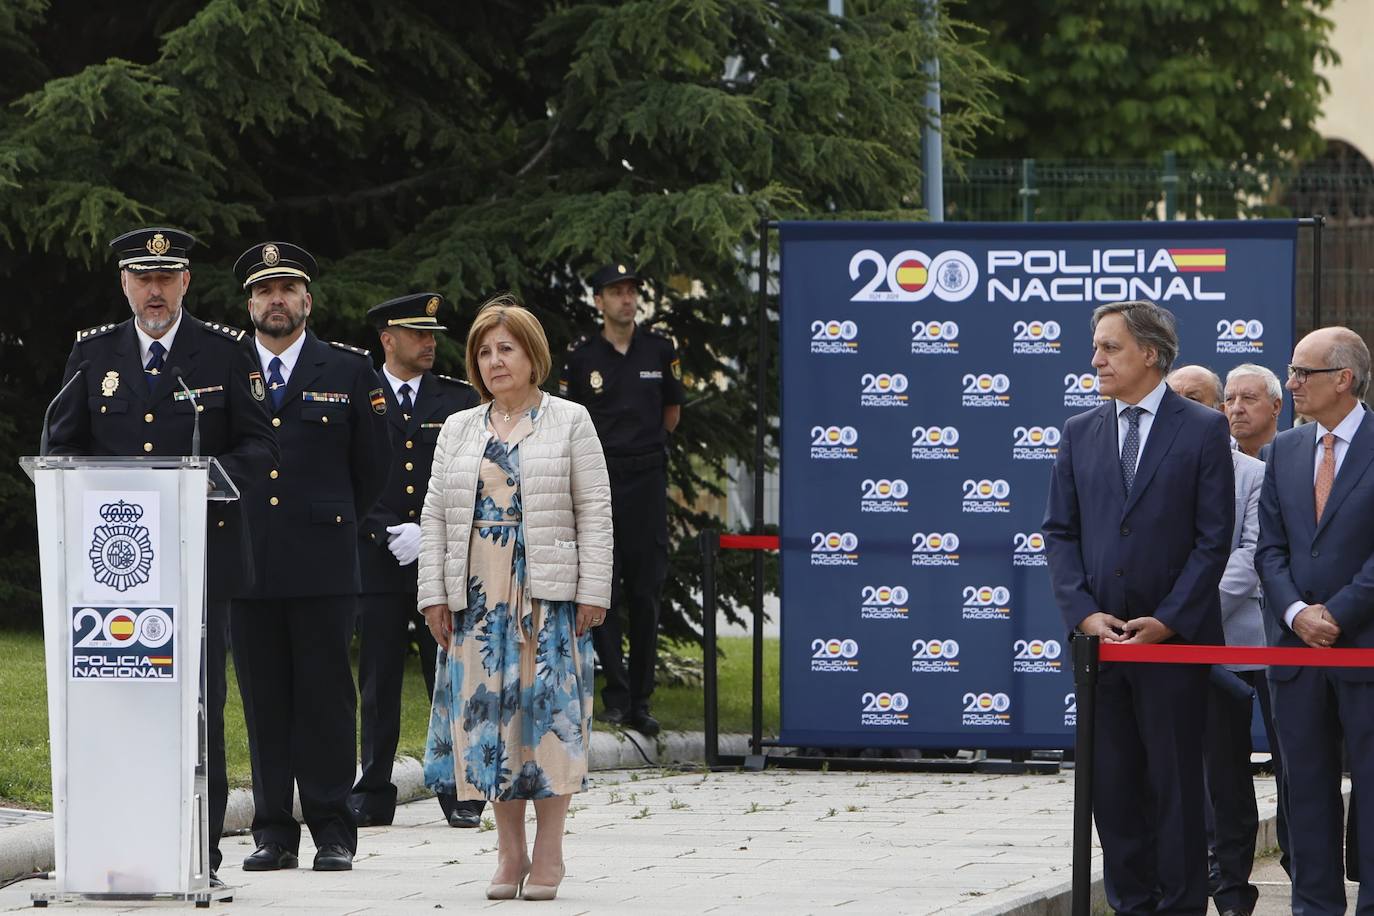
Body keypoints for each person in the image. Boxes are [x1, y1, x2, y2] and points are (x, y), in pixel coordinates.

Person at [46, 227, 278, 887]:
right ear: (125, 284)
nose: (154, 290)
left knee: (195, 707)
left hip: (199, 561)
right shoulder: (94, 353)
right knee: (119, 709)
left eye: (166, 277)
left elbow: (263, 450)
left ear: (185, 283)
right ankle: (120, 851)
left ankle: (194, 857)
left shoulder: (226, 353)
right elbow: (60, 447)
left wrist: (201, 478)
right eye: (142, 278)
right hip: (113, 576)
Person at [1043, 300, 1234, 914]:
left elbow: (1214, 538)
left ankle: (1181, 906)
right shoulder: (1079, 430)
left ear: (1149, 354)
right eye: (1097, 347)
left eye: (1110, 347)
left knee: (1177, 788)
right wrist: (1084, 614)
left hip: (1175, 643)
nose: (1095, 359)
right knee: (1114, 790)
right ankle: (1131, 903)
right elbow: (1060, 533)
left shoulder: (1204, 429)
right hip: (1101, 646)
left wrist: (1170, 620)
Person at [418, 296, 612, 901]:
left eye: (507, 349)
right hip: (477, 595)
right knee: (489, 723)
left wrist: (593, 591)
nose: (494, 361)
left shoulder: (570, 419)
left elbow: (596, 511)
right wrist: (434, 596)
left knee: (548, 723)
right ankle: (509, 852)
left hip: (548, 593)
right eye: (484, 351)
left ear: (533, 356)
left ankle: (550, 852)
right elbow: (434, 518)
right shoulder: (458, 427)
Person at [229, 241, 392, 873]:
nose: (276, 300)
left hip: (323, 560)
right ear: (250, 303)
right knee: (264, 697)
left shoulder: (347, 369)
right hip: (246, 559)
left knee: (326, 696)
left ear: (307, 300)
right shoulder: (228, 365)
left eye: (287, 289)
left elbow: (372, 467)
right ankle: (273, 829)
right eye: (264, 290)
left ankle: (331, 826)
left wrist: (333, 517)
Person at [351, 292, 485, 830]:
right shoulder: (359, 393)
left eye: (432, 334)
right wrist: (384, 529)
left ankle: (457, 787)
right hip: (379, 556)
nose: (430, 342)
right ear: (388, 338)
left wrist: (428, 530)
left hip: (443, 553)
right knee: (379, 677)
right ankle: (374, 788)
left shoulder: (455, 400)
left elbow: (470, 476)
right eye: (417, 334)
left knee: (448, 671)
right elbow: (349, 474)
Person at [1255, 326, 1374, 912]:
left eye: (1303, 373)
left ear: (1344, 378)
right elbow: (1269, 549)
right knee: (1304, 794)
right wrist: (1299, 614)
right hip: (1296, 654)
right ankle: (1315, 905)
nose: (1292, 383)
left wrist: (1342, 612)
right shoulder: (1284, 450)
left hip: (1366, 650)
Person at [558, 263, 683, 736]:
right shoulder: (582, 355)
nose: (626, 299)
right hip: (600, 479)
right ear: (599, 301)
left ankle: (643, 700)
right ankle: (615, 695)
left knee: (646, 588)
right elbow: (570, 419)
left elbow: (671, 413)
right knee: (600, 586)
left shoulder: (660, 348)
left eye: (632, 292)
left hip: (647, 477)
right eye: (616, 292)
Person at [1167, 364, 1269, 916]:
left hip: (1229, 644)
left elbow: (1249, 557)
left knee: (1226, 776)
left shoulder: (1252, 474)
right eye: (1177, 398)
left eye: (1199, 399)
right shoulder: (1154, 469)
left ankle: (1230, 888)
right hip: (1161, 646)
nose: (1192, 409)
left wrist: (1181, 615)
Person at [1224, 364, 1284, 459]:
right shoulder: (1217, 458)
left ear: (1276, 407)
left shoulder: (1297, 455)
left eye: (1248, 398)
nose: (1236, 409)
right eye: (1229, 399)